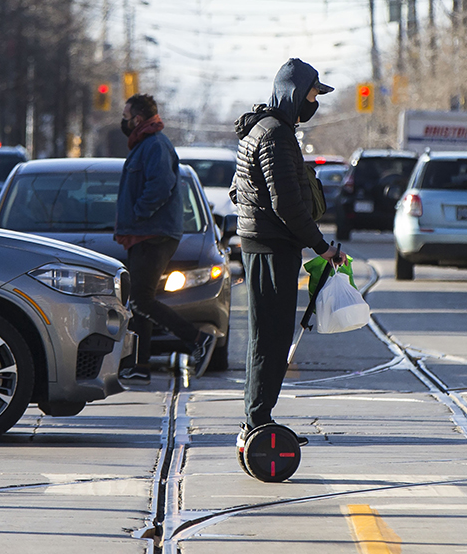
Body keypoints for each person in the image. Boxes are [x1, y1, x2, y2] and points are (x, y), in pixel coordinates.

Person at [230, 58, 340, 445]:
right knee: (271, 338)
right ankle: (257, 421)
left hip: (263, 243)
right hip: (272, 247)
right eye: (313, 93)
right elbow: (287, 205)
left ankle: (258, 416)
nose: (315, 101)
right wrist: (321, 246)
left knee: (268, 336)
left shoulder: (259, 130)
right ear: (295, 93)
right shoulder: (275, 135)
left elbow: (236, 191)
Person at [115, 93, 216, 382]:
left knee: (142, 299)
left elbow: (160, 186)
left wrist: (138, 213)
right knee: (140, 299)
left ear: (136, 118)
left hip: (153, 233)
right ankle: (140, 364)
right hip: (142, 234)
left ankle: (198, 339)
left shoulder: (155, 145)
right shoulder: (144, 144)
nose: (122, 121)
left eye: (125, 115)